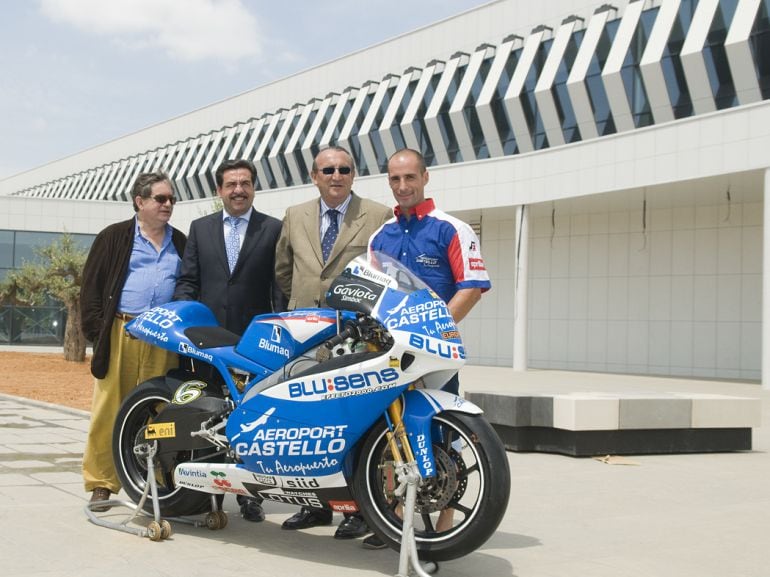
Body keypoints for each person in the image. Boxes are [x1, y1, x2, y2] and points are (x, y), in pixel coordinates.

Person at [365, 147, 491, 548]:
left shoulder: (451, 229)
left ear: (425, 177)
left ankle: (444, 529)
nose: (402, 186)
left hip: (434, 353)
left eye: (410, 178)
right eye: (395, 179)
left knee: (443, 439)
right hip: (390, 354)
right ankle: (391, 519)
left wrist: (434, 330)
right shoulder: (379, 235)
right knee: (387, 434)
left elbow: (472, 288)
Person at [274, 145, 392, 539]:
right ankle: (313, 507)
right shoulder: (294, 216)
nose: (336, 175)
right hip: (304, 334)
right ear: (314, 175)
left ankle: (359, 508)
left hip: (355, 337)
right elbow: (284, 271)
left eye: (344, 169)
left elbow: (387, 273)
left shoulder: (377, 216)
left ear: (354, 174)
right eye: (328, 169)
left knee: (354, 422)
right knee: (307, 423)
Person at [173, 158, 283, 522]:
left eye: (245, 183)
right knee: (205, 413)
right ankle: (204, 491)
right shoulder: (200, 228)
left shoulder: (273, 229)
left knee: (252, 417)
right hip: (205, 341)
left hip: (254, 342)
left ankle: (251, 495)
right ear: (219, 190)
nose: (239, 189)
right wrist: (184, 320)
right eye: (231, 184)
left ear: (254, 188)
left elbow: (278, 287)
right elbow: (188, 280)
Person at [81, 171, 186, 511]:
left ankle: (152, 478)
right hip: (122, 331)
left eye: (171, 199)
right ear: (140, 202)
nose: (168, 204)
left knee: (159, 409)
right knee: (109, 408)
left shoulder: (181, 242)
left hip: (163, 337)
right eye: (161, 198)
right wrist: (100, 333)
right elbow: (92, 288)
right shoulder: (113, 237)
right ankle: (101, 483)